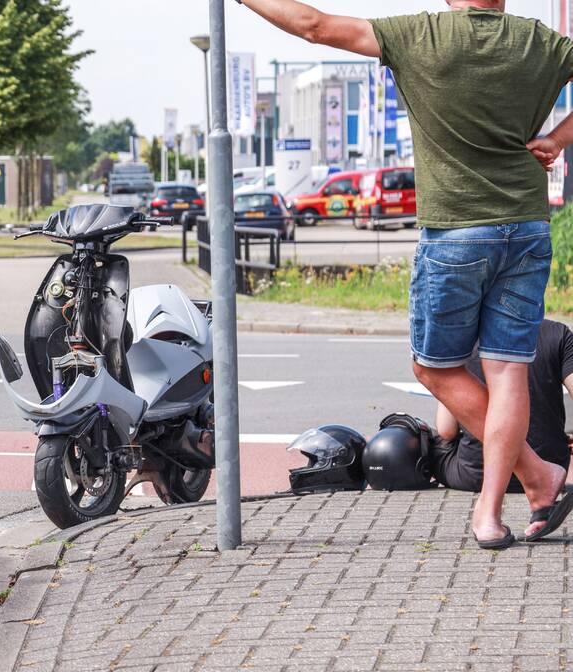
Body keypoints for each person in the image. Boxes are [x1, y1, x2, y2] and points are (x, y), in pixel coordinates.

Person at [239, 0, 573, 548]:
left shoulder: (422, 35)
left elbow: (314, 26)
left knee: (435, 368)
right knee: (507, 369)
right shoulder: (537, 42)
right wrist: (558, 139)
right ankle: (502, 506)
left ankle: (534, 476)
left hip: (456, 232)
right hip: (527, 225)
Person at [433, 319, 573, 492]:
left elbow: (446, 430)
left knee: (435, 442)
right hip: (551, 463)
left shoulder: (461, 338)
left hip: (477, 475)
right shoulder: (558, 333)